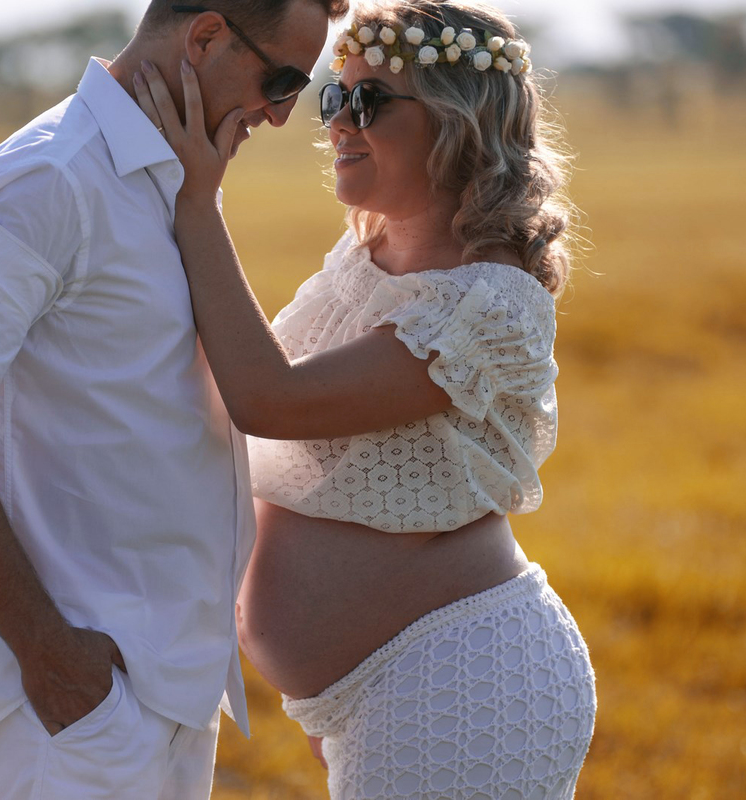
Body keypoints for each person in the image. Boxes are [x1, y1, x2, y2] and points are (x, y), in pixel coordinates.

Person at [0, 1, 347, 797]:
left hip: (165, 696)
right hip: (76, 713)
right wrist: (54, 658)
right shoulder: (50, 177)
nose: (280, 114)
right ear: (204, 36)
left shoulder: (178, 173)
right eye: (281, 79)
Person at [133, 0, 597, 797]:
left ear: (460, 123)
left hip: (463, 679)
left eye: (369, 101)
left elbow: (271, 400)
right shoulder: (367, 253)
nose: (339, 123)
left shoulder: (487, 304)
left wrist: (197, 205)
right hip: (384, 694)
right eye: (334, 98)